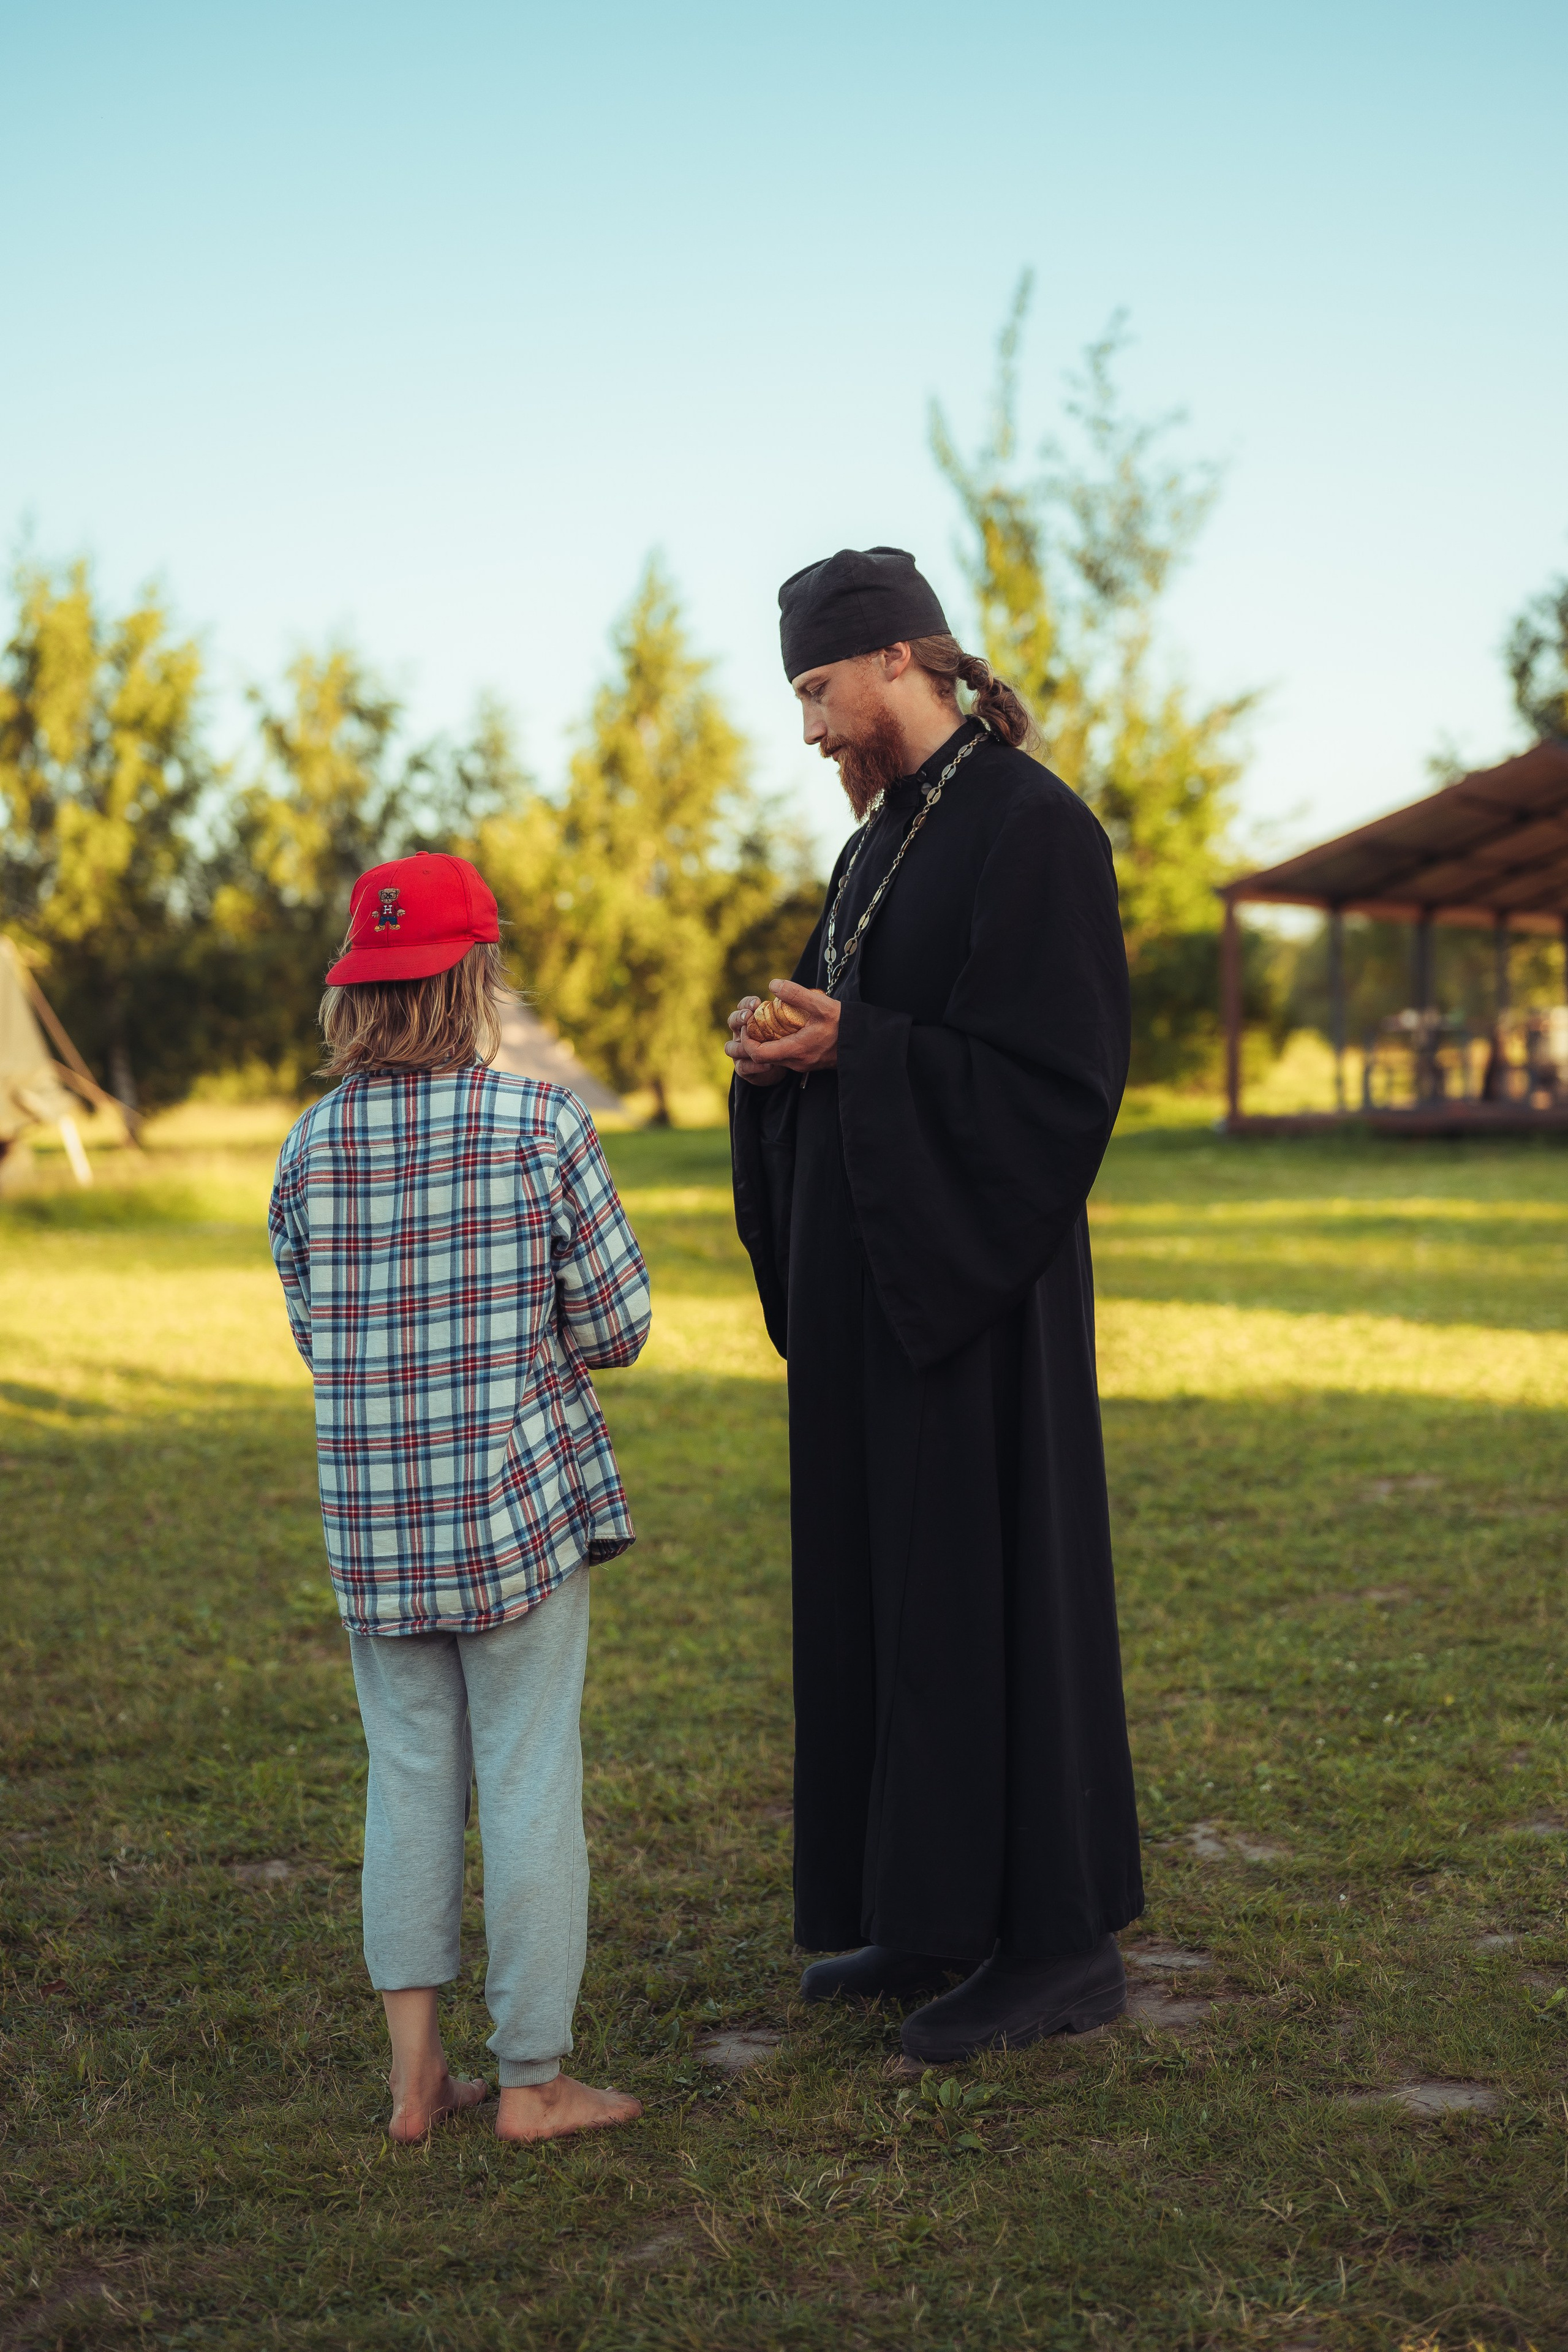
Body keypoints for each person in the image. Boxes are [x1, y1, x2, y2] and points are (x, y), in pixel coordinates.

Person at [726, 546, 1142, 2065]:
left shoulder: (1034, 831)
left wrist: (868, 1052)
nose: (813, 729)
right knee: (890, 1593)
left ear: (901, 659)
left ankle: (1054, 1944)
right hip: (874, 1288)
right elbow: (876, 1027)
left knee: (984, 1588)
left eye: (819, 691)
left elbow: (1056, 1081)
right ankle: (924, 1907)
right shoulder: (877, 845)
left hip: (976, 1293)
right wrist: (787, 1051)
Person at [269, 851, 650, 2141]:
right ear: (480, 976)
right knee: (530, 1775)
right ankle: (534, 2081)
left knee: (407, 1775)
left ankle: (414, 2078)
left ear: (354, 994)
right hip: (515, 1514)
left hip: (377, 1528)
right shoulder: (543, 1127)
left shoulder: (308, 1148)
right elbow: (616, 1324)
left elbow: (320, 1333)